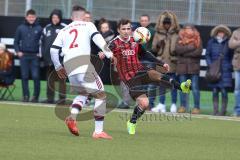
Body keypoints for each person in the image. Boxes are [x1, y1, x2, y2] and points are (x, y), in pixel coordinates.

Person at [107, 19, 191, 135]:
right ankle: (132, 122)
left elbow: (145, 54)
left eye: (128, 28)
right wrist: (105, 54)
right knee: (144, 104)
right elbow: (105, 52)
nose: (126, 31)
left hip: (140, 70)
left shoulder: (135, 40)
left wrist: (161, 64)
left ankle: (181, 87)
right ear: (118, 30)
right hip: (129, 78)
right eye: (123, 29)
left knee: (156, 74)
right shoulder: (114, 43)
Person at [50, 5, 113, 139]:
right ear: (84, 16)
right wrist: (110, 55)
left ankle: (72, 117)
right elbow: (99, 40)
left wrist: (57, 67)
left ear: (72, 17)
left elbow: (53, 50)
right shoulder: (88, 25)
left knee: (84, 94)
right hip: (83, 65)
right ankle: (98, 131)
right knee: (101, 94)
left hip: (69, 67)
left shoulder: (63, 30)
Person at [151, 11, 180, 113]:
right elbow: (153, 49)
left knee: (173, 84)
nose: (167, 25)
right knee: (161, 85)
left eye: (168, 23)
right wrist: (159, 44)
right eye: (165, 23)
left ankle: (173, 104)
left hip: (172, 63)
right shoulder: (158, 33)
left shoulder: (176, 34)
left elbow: (180, 48)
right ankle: (161, 104)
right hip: (161, 63)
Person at [14, 9, 42, 102]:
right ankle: (25, 96)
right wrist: (18, 51)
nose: (31, 18)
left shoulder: (39, 28)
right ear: (26, 17)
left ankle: (35, 97)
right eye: (29, 17)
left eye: (33, 17)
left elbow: (42, 42)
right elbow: (16, 42)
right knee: (24, 76)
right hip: (24, 56)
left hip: (35, 56)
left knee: (35, 76)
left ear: (35, 17)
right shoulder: (20, 28)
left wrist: (39, 53)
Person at [205, 25, 233, 116]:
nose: (221, 33)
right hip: (214, 72)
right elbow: (207, 55)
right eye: (219, 32)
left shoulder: (228, 43)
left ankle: (223, 111)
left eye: (222, 32)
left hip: (225, 71)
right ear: (216, 33)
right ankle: (215, 110)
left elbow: (232, 56)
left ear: (225, 33)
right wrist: (211, 65)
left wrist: (229, 66)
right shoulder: (211, 42)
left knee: (224, 91)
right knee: (215, 90)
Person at [41, 9, 67, 104]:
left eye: (57, 17)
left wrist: (62, 55)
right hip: (49, 60)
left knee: (61, 81)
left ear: (60, 18)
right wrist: (44, 56)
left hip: (61, 60)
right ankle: (50, 99)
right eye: (53, 17)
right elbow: (42, 43)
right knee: (50, 80)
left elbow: (67, 43)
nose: (55, 19)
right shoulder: (46, 28)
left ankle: (62, 99)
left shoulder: (65, 28)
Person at [175, 24, 202, 114]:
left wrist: (184, 52)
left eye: (190, 29)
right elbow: (178, 50)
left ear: (193, 30)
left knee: (195, 88)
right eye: (186, 29)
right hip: (182, 67)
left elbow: (198, 52)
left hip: (193, 68)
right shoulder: (179, 38)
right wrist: (190, 48)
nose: (188, 31)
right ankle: (183, 106)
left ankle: (196, 107)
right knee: (183, 88)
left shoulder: (197, 38)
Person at [229, 27, 240, 117]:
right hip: (237, 65)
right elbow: (231, 45)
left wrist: (237, 42)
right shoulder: (236, 32)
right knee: (237, 89)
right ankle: (237, 111)